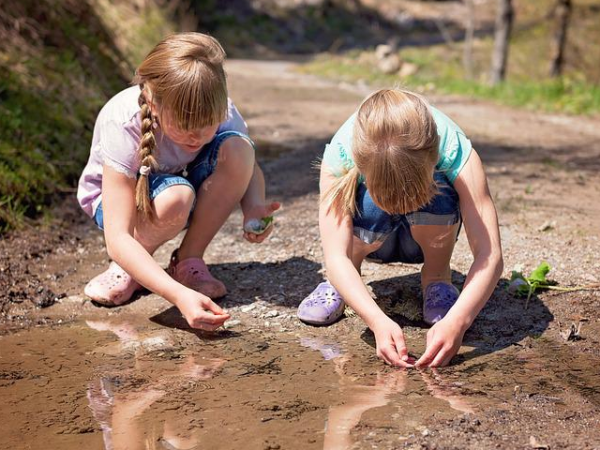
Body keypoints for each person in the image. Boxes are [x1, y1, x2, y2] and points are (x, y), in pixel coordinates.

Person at [77, 32, 279, 330]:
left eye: (206, 125)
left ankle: (188, 260)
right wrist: (178, 296)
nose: (196, 136)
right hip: (118, 205)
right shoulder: (122, 122)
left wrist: (253, 206)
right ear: (152, 102)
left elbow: (248, 166)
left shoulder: (220, 108)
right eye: (185, 125)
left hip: (179, 189)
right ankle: (129, 265)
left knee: (237, 149)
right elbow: (117, 236)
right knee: (176, 197)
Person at [297, 88, 503, 368]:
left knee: (442, 189)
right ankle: (343, 285)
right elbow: (335, 256)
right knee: (355, 202)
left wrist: (458, 321)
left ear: (433, 156)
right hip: (370, 240)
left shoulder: (453, 149)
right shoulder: (342, 152)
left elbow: (489, 254)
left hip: (425, 239)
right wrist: (377, 320)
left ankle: (437, 278)